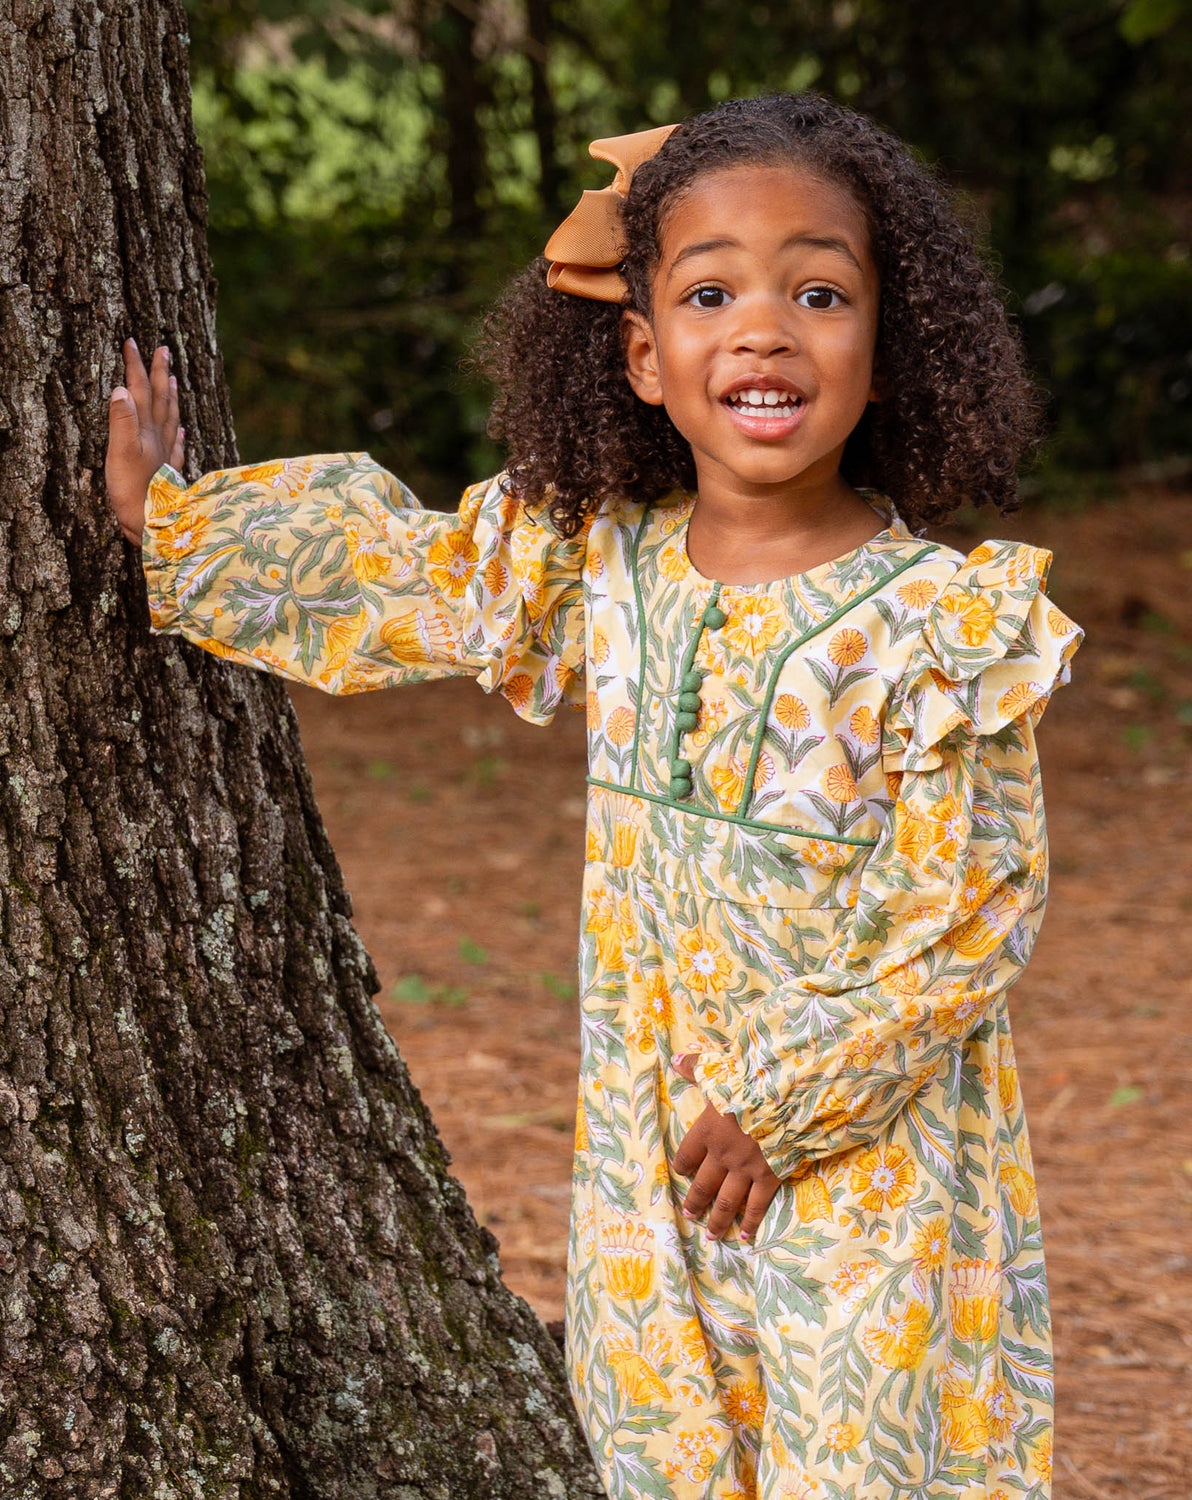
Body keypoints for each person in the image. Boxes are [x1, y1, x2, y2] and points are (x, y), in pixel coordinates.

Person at [106, 94, 1081, 1500]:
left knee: (863, 1456)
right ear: (641, 354)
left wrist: (793, 1106)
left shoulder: (939, 625)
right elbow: (414, 577)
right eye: (708, 292)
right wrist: (180, 526)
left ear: (887, 347)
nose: (762, 329)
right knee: (665, 1449)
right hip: (651, 1163)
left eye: (818, 291)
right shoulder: (602, 568)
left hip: (865, 1174)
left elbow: (976, 906)